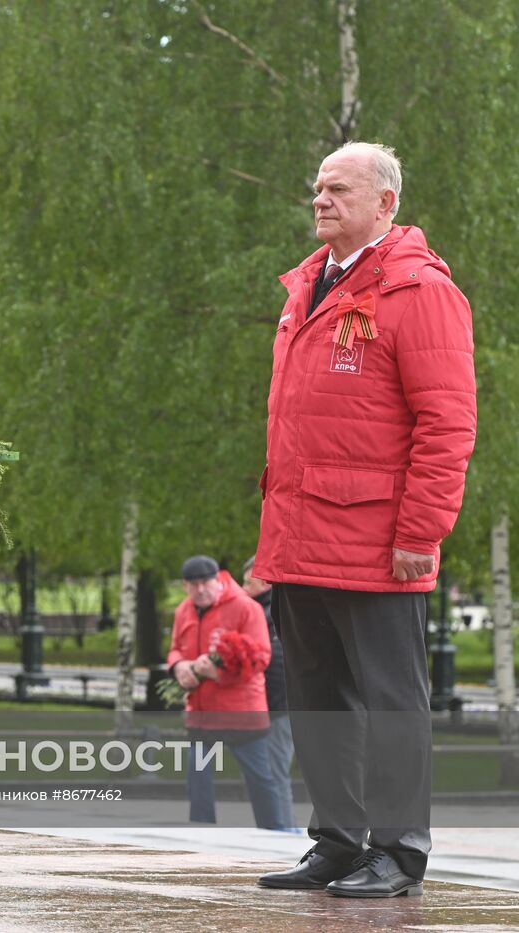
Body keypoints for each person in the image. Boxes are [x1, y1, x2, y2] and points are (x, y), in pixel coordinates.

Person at [254, 142, 476, 898]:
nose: (321, 199)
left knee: (390, 703)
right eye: (317, 187)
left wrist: (422, 530)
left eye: (339, 189)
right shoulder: (307, 285)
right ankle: (338, 842)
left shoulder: (420, 290)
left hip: (383, 544)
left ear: (385, 203)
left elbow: (447, 423)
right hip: (300, 538)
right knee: (318, 699)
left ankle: (399, 850)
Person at [165, 555, 278, 828]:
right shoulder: (184, 611)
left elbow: (262, 657)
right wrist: (179, 666)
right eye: (193, 585)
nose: (200, 589)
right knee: (198, 778)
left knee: (260, 780)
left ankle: (275, 833)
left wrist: (217, 673)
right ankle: (202, 835)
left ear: (219, 580)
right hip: (202, 713)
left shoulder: (245, 608)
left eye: (205, 582)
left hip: (242, 713)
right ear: (185, 586)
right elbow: (175, 649)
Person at [242, 555, 297, 833]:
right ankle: (277, 829)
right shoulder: (264, 610)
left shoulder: (271, 611)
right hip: (273, 704)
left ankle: (284, 832)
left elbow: (275, 661)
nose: (244, 585)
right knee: (270, 772)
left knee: (275, 771)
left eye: (248, 578)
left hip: (277, 704)